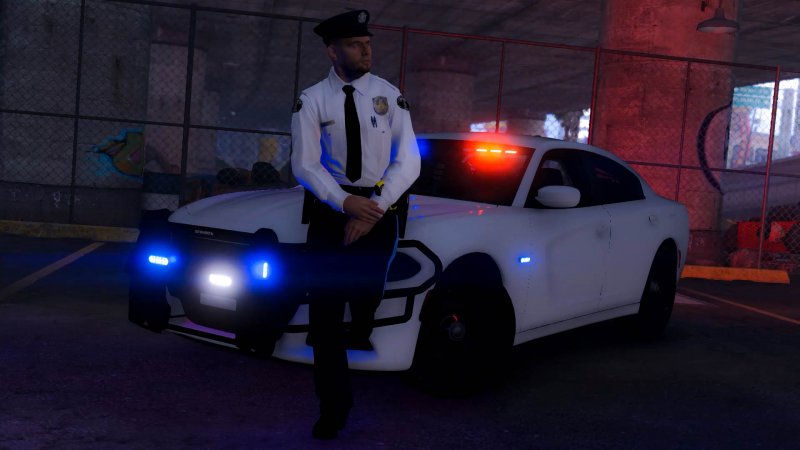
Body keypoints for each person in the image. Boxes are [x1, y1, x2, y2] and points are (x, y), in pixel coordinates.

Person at [290, 9, 420, 440]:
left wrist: (373, 208)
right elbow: (305, 164)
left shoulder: (389, 96)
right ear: (332, 51)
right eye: (354, 44)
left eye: (367, 43)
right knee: (326, 315)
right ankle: (334, 406)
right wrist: (346, 203)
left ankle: (364, 334)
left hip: (380, 211)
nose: (366, 49)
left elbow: (409, 161)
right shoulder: (312, 100)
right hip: (332, 211)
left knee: (367, 296)